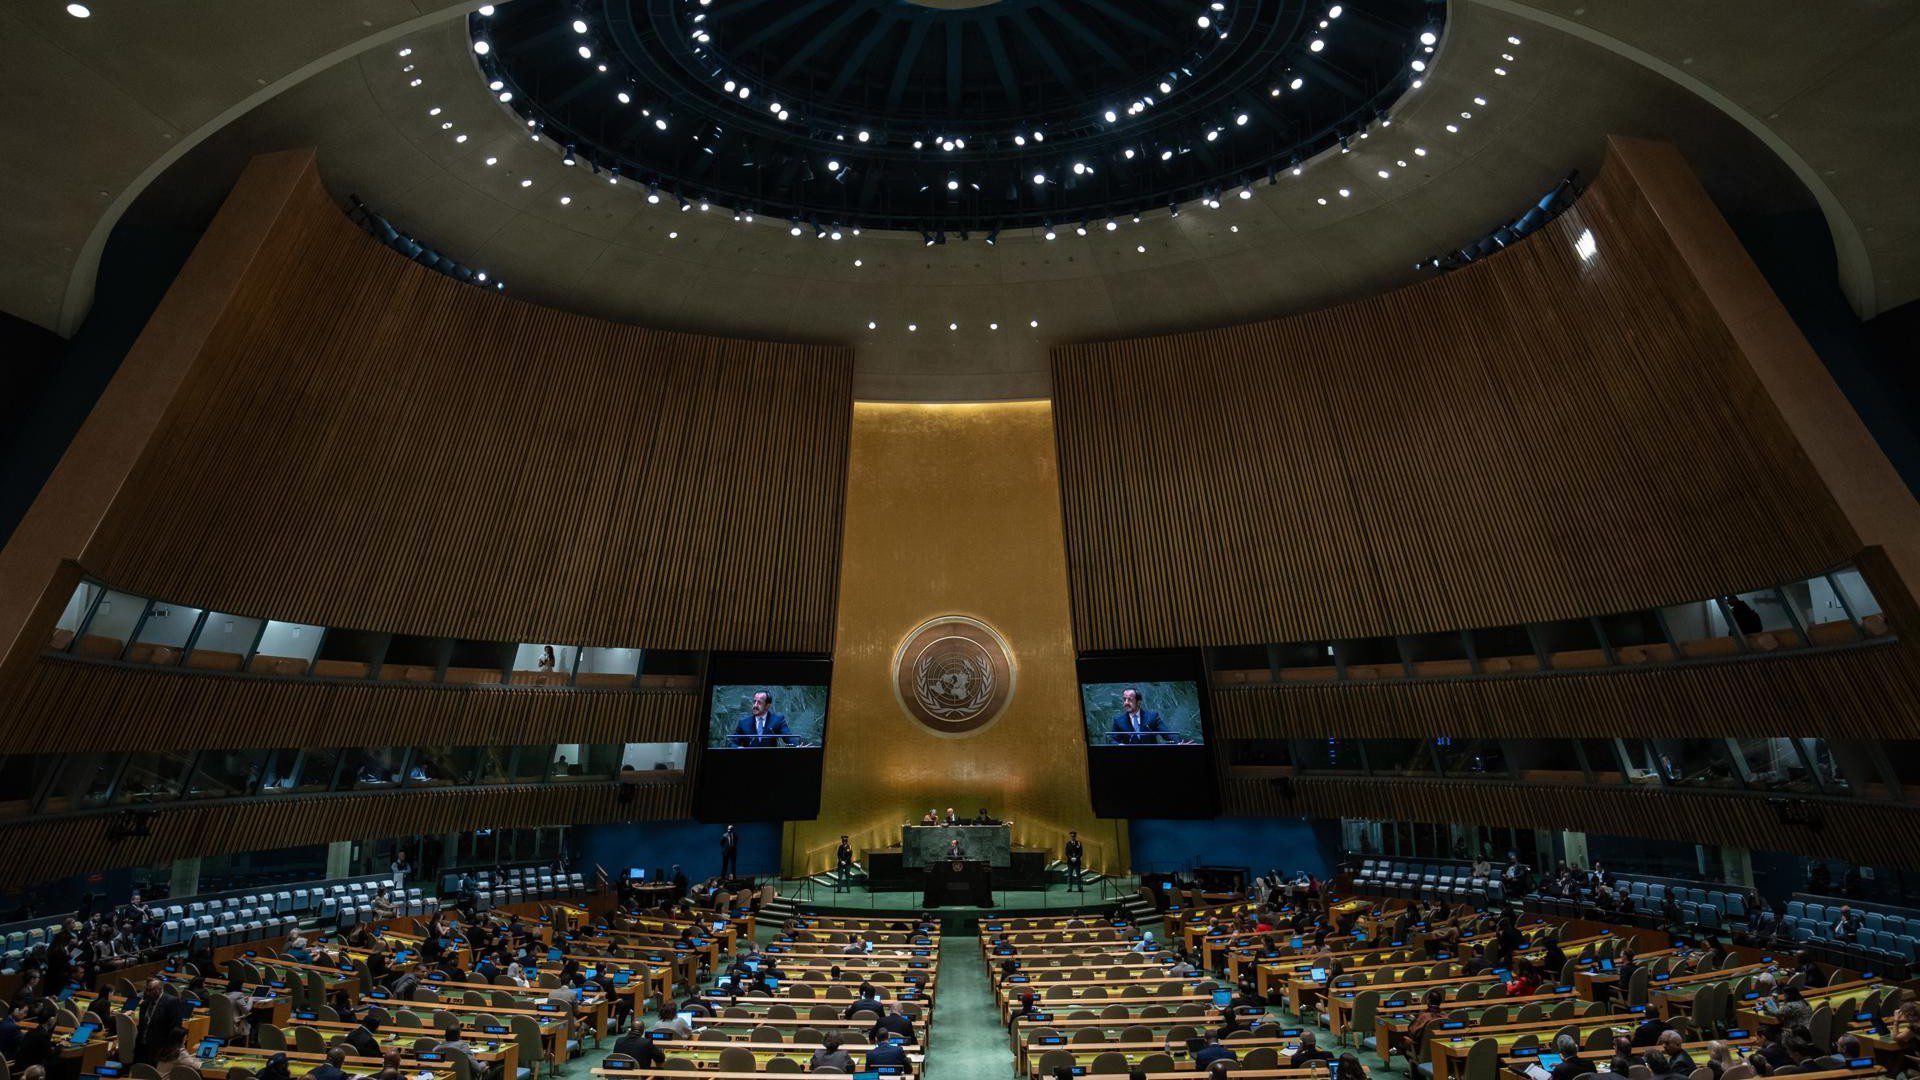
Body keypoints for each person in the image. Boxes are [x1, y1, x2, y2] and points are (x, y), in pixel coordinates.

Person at [133, 978, 190, 1064]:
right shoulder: (145, 1003)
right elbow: (142, 1025)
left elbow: (175, 1026)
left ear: (159, 989)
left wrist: (168, 1049)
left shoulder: (171, 1002)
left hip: (160, 1048)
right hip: (142, 1046)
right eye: (146, 990)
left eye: (150, 990)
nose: (146, 993)